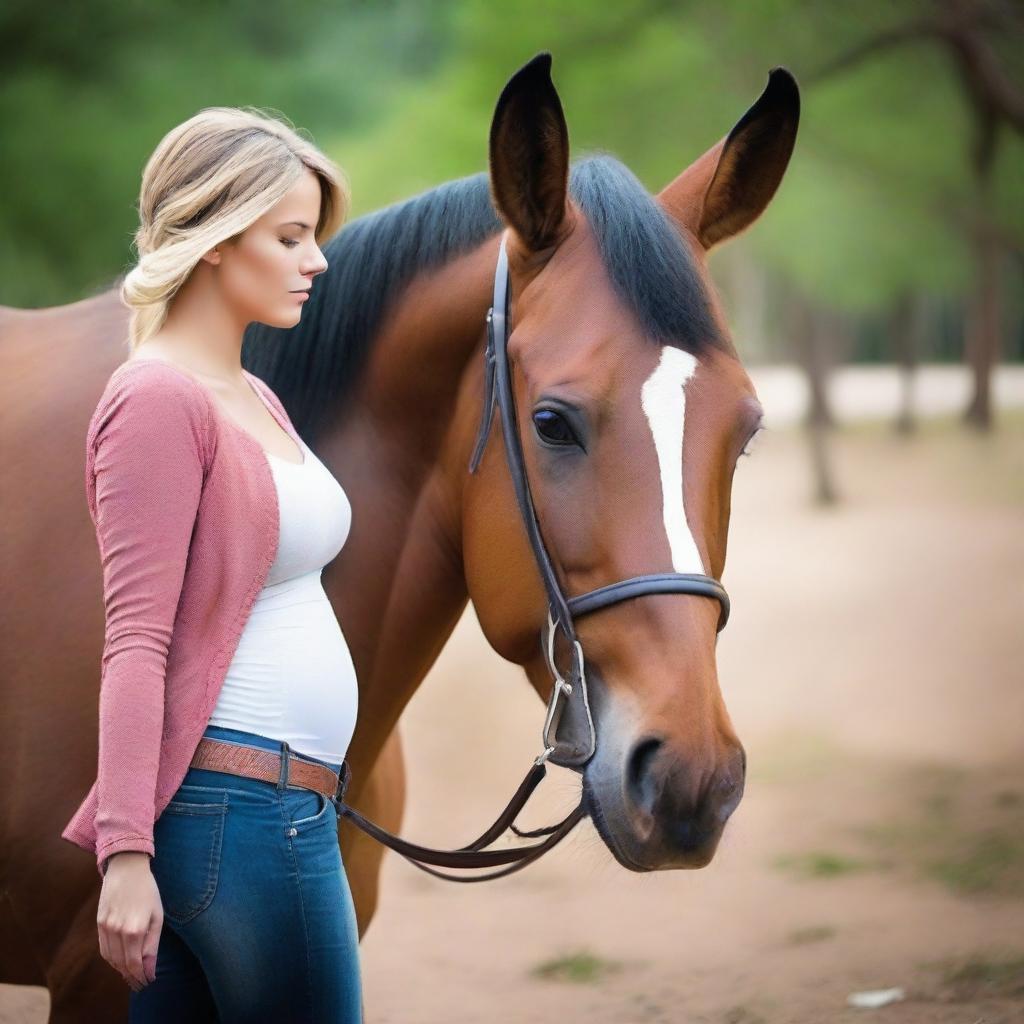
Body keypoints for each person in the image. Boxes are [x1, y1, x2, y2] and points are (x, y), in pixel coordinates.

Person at [59, 106, 363, 1021]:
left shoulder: (254, 394)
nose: (316, 261)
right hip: (242, 812)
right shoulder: (157, 399)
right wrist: (123, 854)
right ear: (218, 238)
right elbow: (135, 640)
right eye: (291, 236)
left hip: (270, 808)